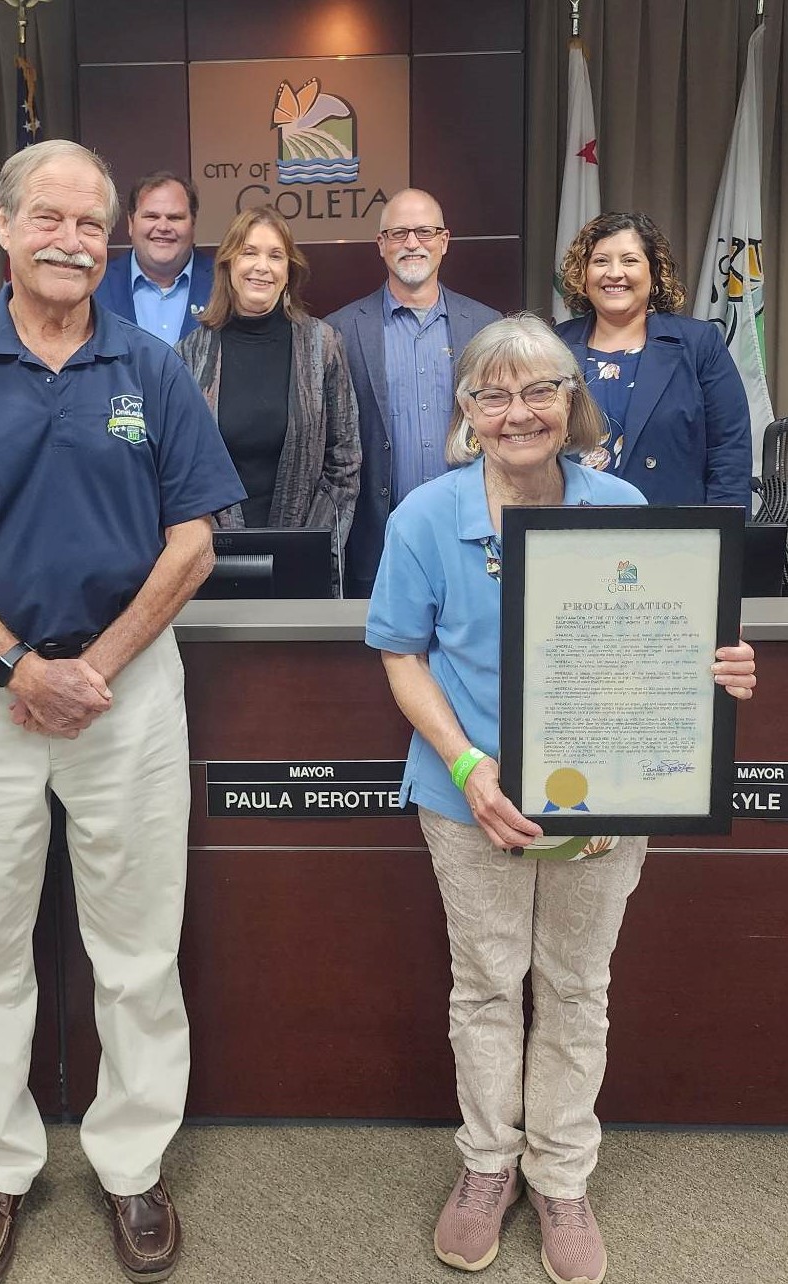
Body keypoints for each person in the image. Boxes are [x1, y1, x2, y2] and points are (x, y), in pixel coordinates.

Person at [0, 139, 245, 1284]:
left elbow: (193, 543)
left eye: (90, 224)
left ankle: (132, 1167)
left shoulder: (153, 367)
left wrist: (95, 669)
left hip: (127, 695)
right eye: (49, 218)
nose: (72, 241)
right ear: (3, 228)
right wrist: (18, 669)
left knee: (136, 946)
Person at [365, 314, 755, 1284]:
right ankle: (487, 1165)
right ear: (467, 411)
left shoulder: (621, 505)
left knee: (578, 988)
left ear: (570, 401)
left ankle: (561, 1175)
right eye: (493, 394)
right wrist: (468, 767)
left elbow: (664, 641)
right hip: (470, 795)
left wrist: (716, 667)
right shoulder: (424, 517)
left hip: (604, 796)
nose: (518, 412)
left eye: (540, 389)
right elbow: (402, 656)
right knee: (487, 985)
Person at [325, 187, 500, 597]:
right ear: (381, 244)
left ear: (444, 241)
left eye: (425, 232)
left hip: (472, 534)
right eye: (399, 233)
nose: (412, 243)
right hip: (377, 543)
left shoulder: (487, 326)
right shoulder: (340, 331)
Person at [177, 204, 360, 592]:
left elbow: (345, 460)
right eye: (249, 252)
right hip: (211, 563)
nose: (262, 266)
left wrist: (316, 546)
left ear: (288, 271)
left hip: (306, 561)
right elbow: (178, 469)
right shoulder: (190, 355)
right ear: (228, 263)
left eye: (276, 256)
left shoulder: (323, 345)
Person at [556, 211, 752, 508]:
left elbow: (729, 451)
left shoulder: (699, 344)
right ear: (583, 275)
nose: (614, 273)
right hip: (569, 526)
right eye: (600, 261)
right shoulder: (553, 345)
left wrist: (724, 529)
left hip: (670, 527)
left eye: (629, 260)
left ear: (654, 273)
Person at [94, 171, 213, 344]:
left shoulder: (224, 283)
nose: (163, 227)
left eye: (175, 217)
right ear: (131, 223)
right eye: (151, 216)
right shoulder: (96, 284)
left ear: (193, 224)